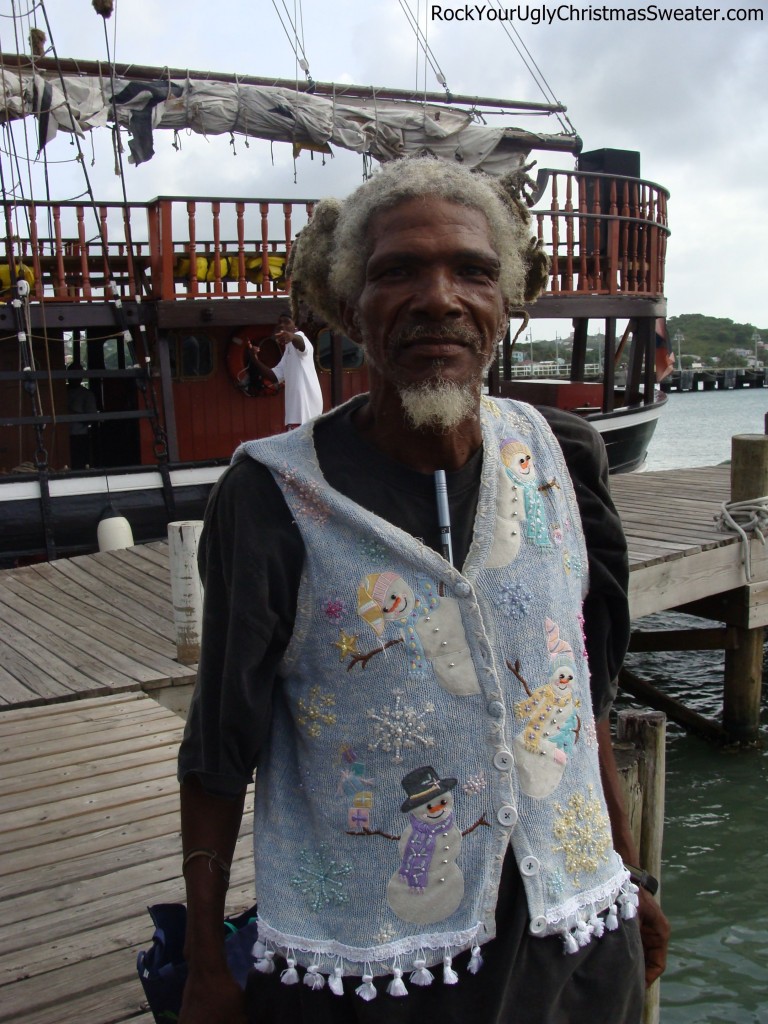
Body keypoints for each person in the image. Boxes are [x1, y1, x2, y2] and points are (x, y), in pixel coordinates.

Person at [177, 159, 669, 1024]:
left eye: (473, 270)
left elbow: (576, 693)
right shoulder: (272, 501)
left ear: (507, 299)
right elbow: (220, 749)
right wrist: (206, 963)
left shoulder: (559, 459)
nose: (439, 297)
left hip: (578, 936)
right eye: (397, 270)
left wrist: (629, 877)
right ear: (347, 303)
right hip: (378, 975)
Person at [245, 313, 323, 427]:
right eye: (279, 322)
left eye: (286, 322)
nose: (281, 325)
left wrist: (292, 336)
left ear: (295, 325)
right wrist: (254, 359)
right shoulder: (289, 348)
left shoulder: (301, 338)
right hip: (296, 414)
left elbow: (302, 344)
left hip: (306, 411)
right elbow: (275, 376)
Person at [66, 364, 98, 469]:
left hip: (78, 437)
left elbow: (91, 418)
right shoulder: (61, 392)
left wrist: (71, 413)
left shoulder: (87, 395)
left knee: (77, 465)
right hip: (61, 436)